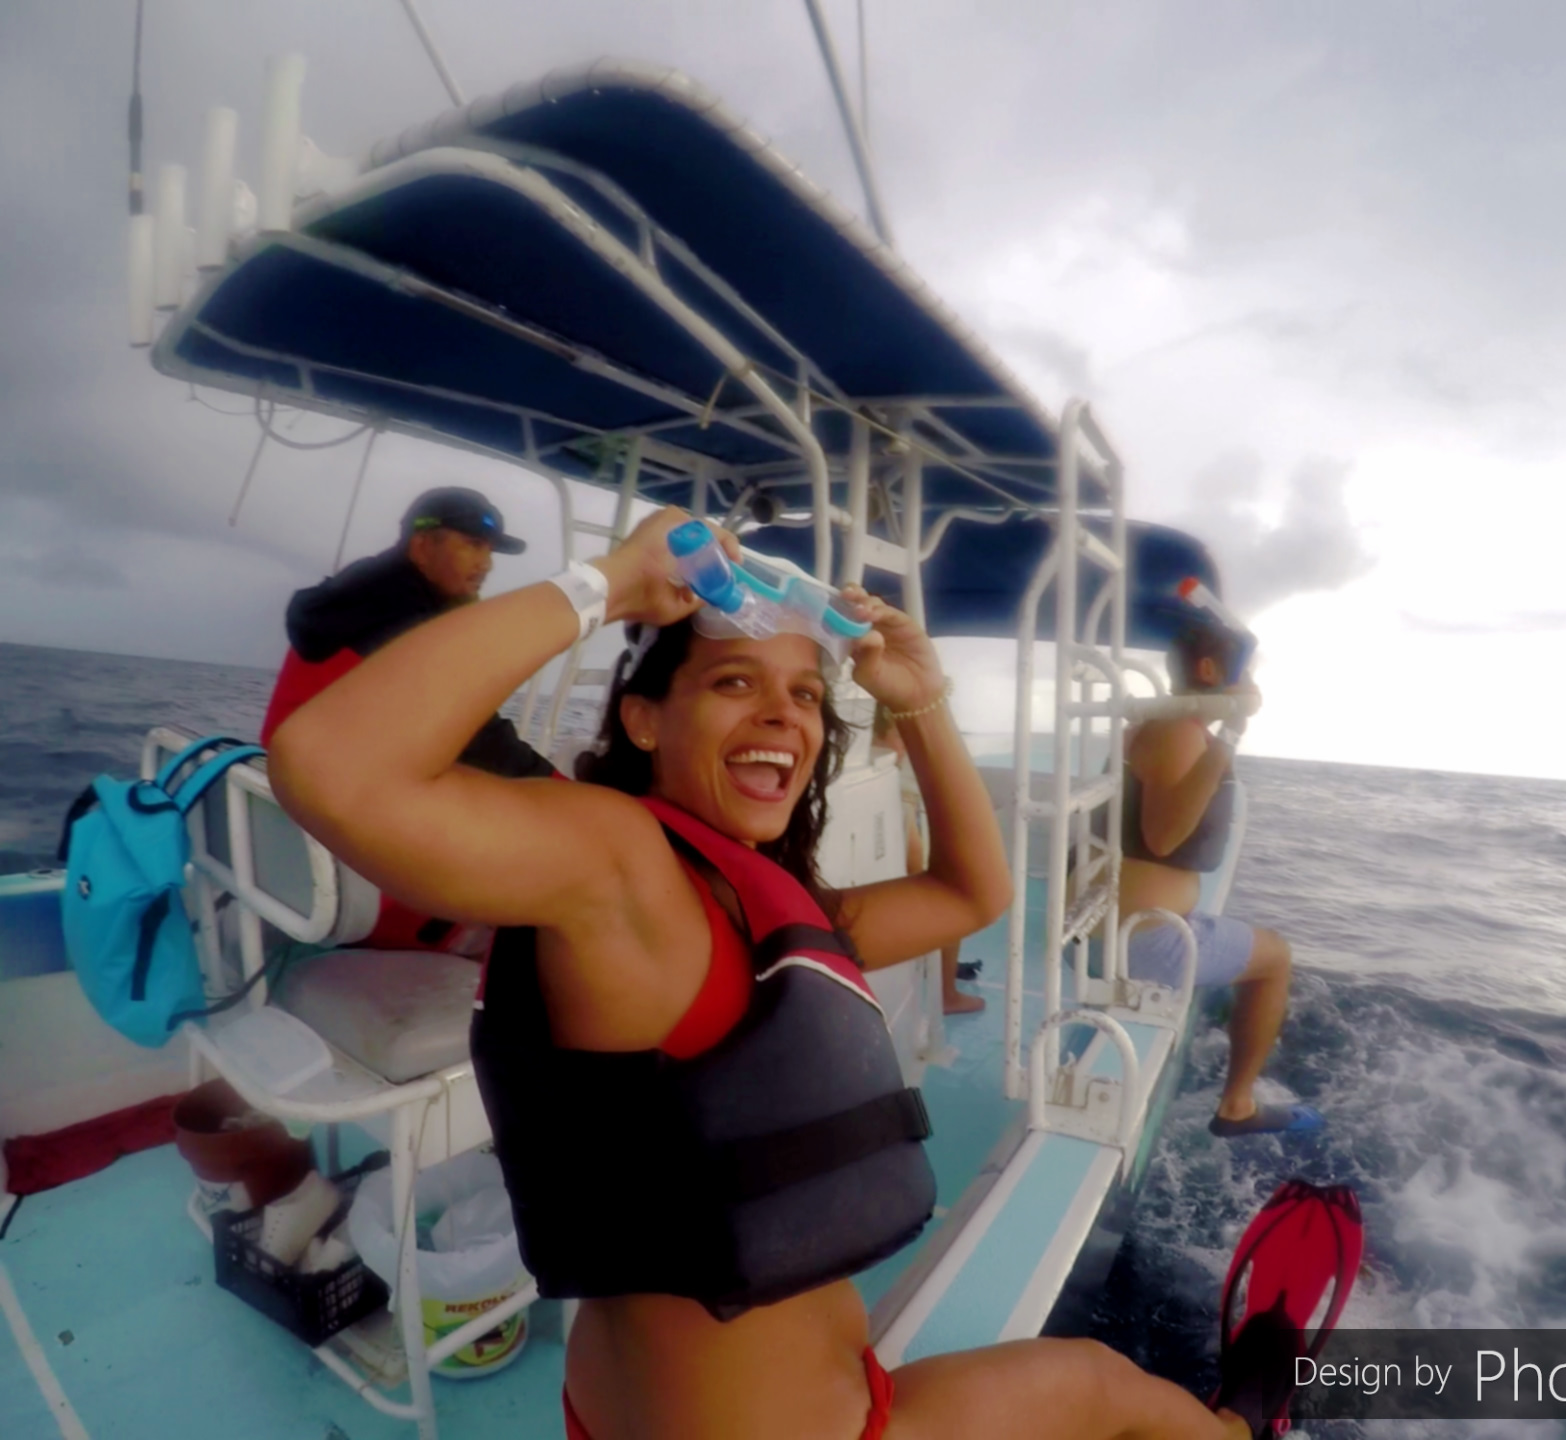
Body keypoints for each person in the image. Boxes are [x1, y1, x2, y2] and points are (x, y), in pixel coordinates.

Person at [269, 508, 1250, 1440]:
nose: (783, 713)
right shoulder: (616, 862)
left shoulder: (738, 908)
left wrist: (917, 699)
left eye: (807, 695)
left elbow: (970, 892)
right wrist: (610, 583)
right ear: (644, 720)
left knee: (1099, 1387)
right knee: (1105, 1389)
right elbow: (327, 765)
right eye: (735, 682)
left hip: (683, 1411)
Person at [1117, 622, 1308, 1139]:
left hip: (1127, 924)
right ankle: (1237, 1106)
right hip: (1144, 940)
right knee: (1277, 958)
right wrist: (1230, 734)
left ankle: (1231, 1009)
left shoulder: (1161, 724)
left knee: (1243, 943)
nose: (1252, 685)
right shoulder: (1179, 731)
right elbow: (1163, 838)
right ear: (1209, 670)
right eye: (1244, 673)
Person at [261, 485, 554, 780]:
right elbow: (472, 730)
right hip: (322, 779)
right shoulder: (400, 614)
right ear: (422, 547)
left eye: (489, 550)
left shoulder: (368, 585)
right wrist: (555, 785)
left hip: (293, 767)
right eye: (473, 545)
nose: (486, 564)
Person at [873, 707, 985, 1016]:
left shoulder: (892, 713)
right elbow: (892, 748)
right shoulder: (900, 713)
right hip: (903, 809)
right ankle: (945, 993)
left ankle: (940, 971)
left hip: (904, 808)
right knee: (952, 900)